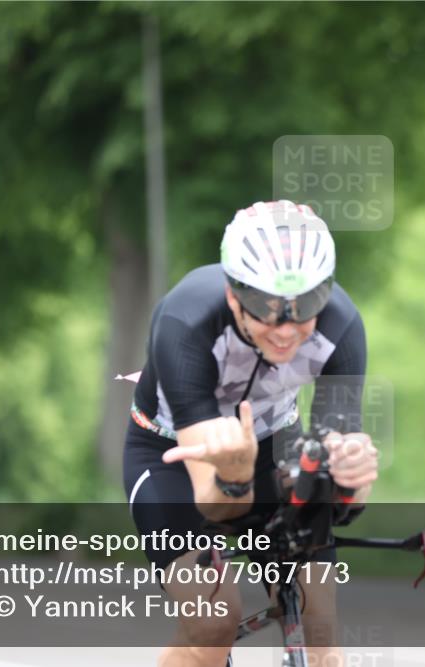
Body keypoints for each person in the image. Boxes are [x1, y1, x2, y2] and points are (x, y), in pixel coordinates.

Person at [123, 200, 379, 667]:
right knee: (213, 621)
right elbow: (216, 504)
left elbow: (346, 501)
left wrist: (354, 477)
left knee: (320, 629)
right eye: (265, 307)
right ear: (234, 293)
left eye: (306, 308)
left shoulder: (342, 327)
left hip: (273, 448)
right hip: (172, 458)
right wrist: (236, 477)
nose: (284, 330)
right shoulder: (185, 322)